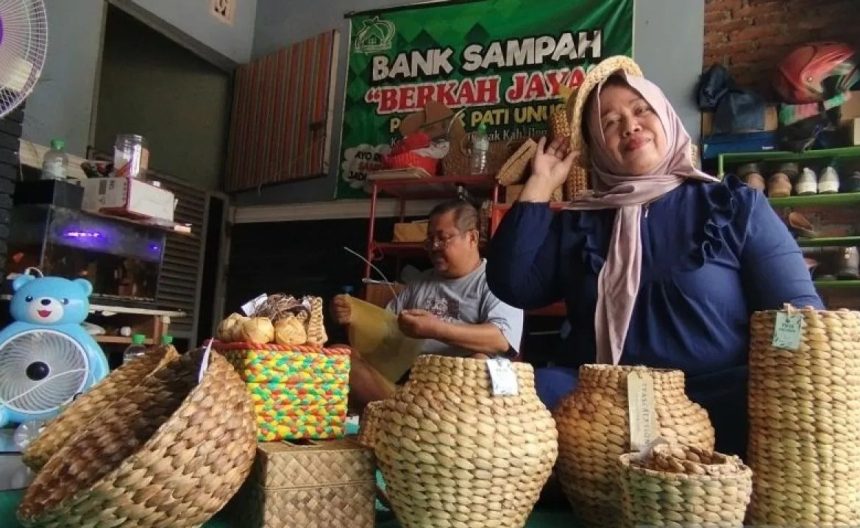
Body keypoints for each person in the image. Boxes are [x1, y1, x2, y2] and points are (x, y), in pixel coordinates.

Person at [486, 56, 823, 456]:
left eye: (640, 109)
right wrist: (539, 186)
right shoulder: (581, 221)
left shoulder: (732, 206)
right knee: (525, 392)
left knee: (768, 396)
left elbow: (798, 314)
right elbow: (511, 283)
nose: (630, 125)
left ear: (664, 115)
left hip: (714, 399)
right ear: (597, 150)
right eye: (609, 123)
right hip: (600, 404)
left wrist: (791, 382)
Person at [333, 199, 524, 409]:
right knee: (340, 355)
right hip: (412, 384)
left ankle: (408, 414)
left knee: (479, 362)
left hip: (462, 395)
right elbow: (386, 330)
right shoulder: (421, 283)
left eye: (443, 239)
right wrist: (355, 316)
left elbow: (502, 339)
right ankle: (406, 412)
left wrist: (436, 329)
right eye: (430, 240)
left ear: (472, 237)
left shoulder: (497, 281)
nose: (434, 247)